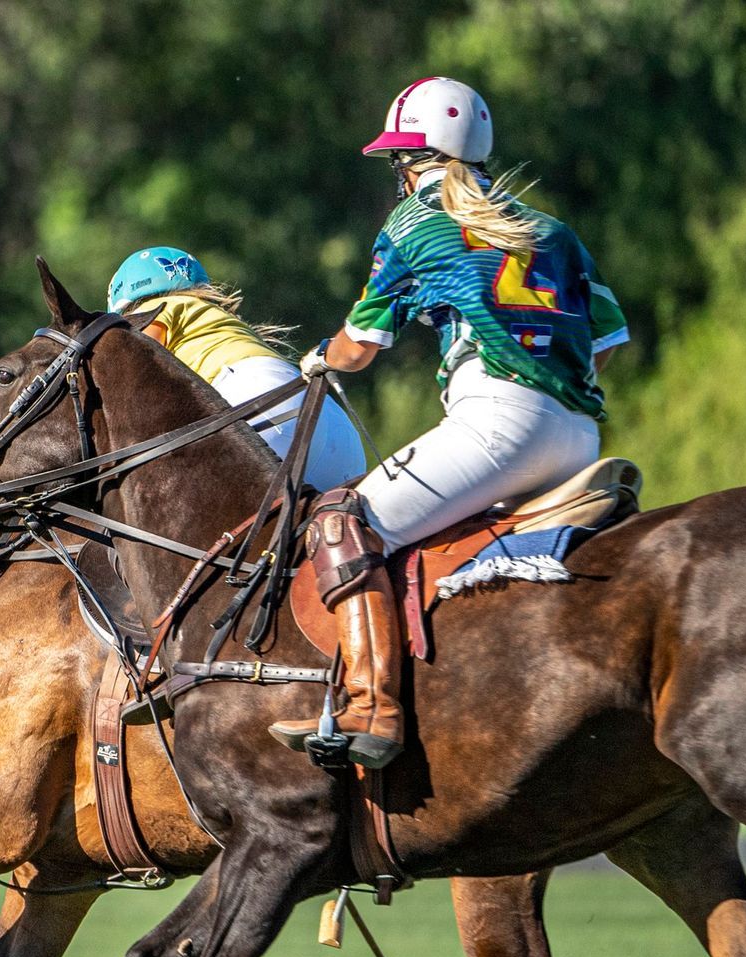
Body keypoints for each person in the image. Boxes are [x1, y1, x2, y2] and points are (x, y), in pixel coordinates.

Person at [268, 77, 630, 767]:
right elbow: (609, 342)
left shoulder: (411, 225)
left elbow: (362, 345)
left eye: (397, 163)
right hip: (580, 434)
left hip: (497, 425)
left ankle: (370, 705)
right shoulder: (553, 230)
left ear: (413, 163)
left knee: (342, 519)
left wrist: (320, 357)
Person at [106, 248, 366, 491]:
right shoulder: (220, 319)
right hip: (335, 427)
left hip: (251, 399)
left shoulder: (154, 310)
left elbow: (130, 367)